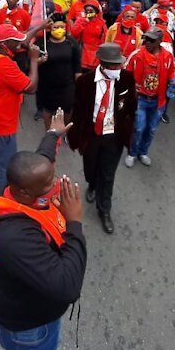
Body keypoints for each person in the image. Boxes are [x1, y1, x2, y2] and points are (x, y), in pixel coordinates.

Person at [0, 111, 85, 350]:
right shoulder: (15, 237)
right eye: (48, 184)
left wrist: (54, 135)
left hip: (36, 313)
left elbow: (41, 160)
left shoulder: (20, 190)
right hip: (27, 327)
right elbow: (67, 287)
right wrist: (74, 223)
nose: (55, 187)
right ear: (24, 192)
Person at [67, 43, 136, 234]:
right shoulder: (85, 82)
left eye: (119, 65)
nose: (118, 69)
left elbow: (132, 106)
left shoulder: (127, 79)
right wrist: (72, 134)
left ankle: (104, 210)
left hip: (114, 136)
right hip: (91, 135)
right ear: (102, 64)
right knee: (90, 168)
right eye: (113, 66)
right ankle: (91, 183)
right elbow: (77, 111)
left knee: (108, 174)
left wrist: (129, 132)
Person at [0, 23, 46, 206]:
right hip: (1, 125)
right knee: (4, 168)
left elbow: (23, 39)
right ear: (6, 43)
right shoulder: (5, 65)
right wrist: (33, 61)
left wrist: (41, 26)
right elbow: (31, 87)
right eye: (15, 41)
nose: (19, 43)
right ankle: (2, 206)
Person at [124, 28, 175, 168]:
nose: (147, 42)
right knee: (139, 128)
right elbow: (126, 73)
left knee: (151, 128)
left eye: (152, 40)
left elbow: (172, 73)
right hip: (140, 99)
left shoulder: (167, 56)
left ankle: (143, 152)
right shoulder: (137, 55)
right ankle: (132, 153)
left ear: (160, 41)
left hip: (158, 100)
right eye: (146, 39)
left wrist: (173, 83)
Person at [36, 13, 81, 130]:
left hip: (67, 85)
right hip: (47, 85)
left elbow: (77, 66)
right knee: (48, 110)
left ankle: (64, 132)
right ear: (49, 28)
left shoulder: (71, 43)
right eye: (56, 27)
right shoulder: (42, 42)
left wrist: (79, 83)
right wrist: (40, 60)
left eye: (62, 27)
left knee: (67, 109)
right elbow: (31, 63)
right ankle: (49, 134)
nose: (59, 30)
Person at [70, 1, 106, 74]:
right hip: (83, 53)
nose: (89, 12)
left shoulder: (101, 23)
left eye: (91, 11)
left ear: (96, 12)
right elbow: (74, 33)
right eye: (87, 11)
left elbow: (104, 38)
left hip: (96, 54)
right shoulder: (80, 20)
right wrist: (84, 22)